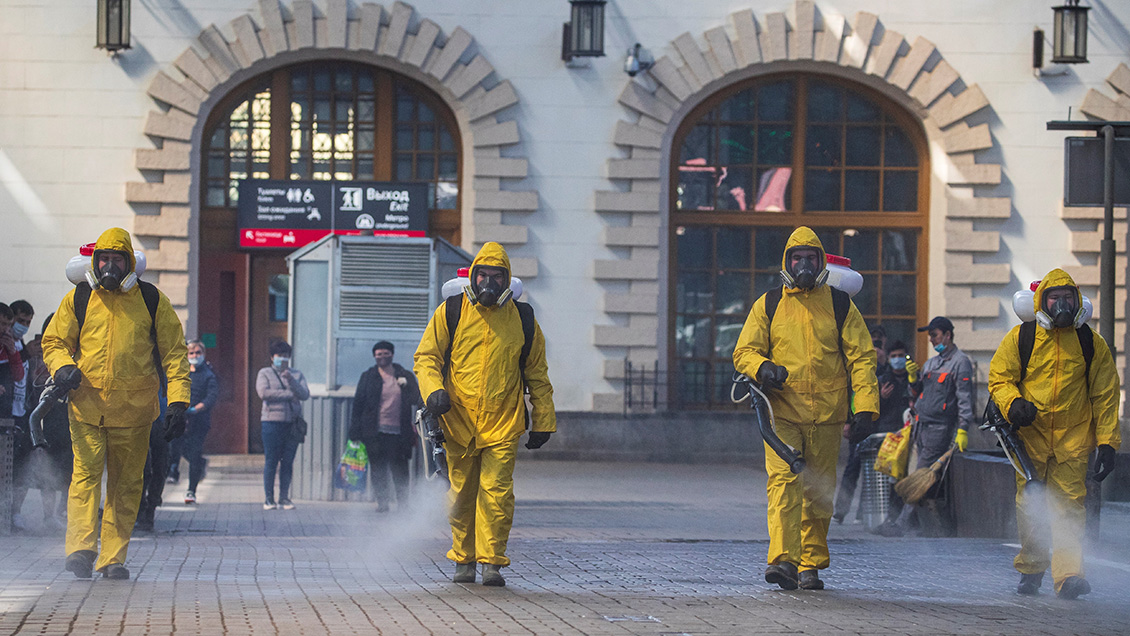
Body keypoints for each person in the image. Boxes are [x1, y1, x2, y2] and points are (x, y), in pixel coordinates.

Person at [733, 226, 878, 591]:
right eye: (796, 258)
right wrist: (763, 368)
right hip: (781, 413)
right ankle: (783, 560)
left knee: (818, 491)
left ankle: (810, 563)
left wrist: (865, 408)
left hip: (827, 416)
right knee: (784, 484)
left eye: (809, 259)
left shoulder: (840, 304)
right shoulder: (768, 305)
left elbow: (861, 357)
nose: (803, 265)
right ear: (787, 261)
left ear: (821, 261)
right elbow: (744, 351)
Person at [42, 227, 190, 580]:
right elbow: (54, 340)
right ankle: (80, 549)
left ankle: (112, 558)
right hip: (86, 407)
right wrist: (63, 367)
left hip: (135, 412)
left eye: (116, 259)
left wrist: (179, 401)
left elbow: (175, 354)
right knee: (85, 479)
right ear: (95, 261)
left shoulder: (152, 300)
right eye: (104, 259)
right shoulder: (79, 298)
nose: (109, 266)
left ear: (128, 264)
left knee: (125, 487)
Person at [414, 242, 556, 587]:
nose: (488, 284)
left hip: (504, 422)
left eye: (496, 277)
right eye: (483, 276)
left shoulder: (523, 319)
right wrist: (434, 392)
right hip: (458, 422)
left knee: (496, 494)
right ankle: (464, 560)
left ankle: (491, 562)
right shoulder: (451, 311)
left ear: (507, 280)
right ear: (473, 277)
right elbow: (427, 357)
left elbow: (536, 372)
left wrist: (544, 421)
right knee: (461, 496)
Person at [988, 269, 1120, 599]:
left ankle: (1069, 576)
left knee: (1069, 508)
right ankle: (1032, 568)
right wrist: (1014, 404)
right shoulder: (1022, 338)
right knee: (1031, 505)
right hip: (1030, 437)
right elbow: (1000, 379)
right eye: (1054, 298)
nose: (1061, 304)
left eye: (1067, 298)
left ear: (1077, 301)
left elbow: (1105, 395)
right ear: (1041, 302)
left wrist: (1107, 442)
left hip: (1073, 440)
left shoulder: (1091, 343)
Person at [881, 316, 974, 537]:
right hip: (921, 427)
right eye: (930, 336)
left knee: (921, 474)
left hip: (940, 428)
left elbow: (964, 398)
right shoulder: (932, 363)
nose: (931, 340)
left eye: (934, 335)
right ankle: (926, 526)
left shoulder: (960, 363)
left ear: (948, 335)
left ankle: (901, 523)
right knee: (922, 475)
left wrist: (963, 428)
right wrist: (913, 378)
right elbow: (916, 394)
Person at [833, 337, 911, 523]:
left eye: (901, 356)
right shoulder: (875, 376)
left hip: (900, 434)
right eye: (895, 356)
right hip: (871, 432)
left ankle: (883, 516)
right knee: (859, 471)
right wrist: (849, 422)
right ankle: (842, 512)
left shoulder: (908, 377)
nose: (898, 359)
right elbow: (855, 398)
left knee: (892, 477)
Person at [348, 340, 422, 512]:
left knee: (400, 469)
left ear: (392, 354)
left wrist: (406, 386)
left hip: (399, 432)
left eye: (386, 353)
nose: (382, 357)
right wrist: (355, 431)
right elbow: (358, 403)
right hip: (374, 431)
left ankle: (403, 504)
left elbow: (416, 399)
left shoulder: (404, 374)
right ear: (374, 356)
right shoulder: (368, 376)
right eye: (379, 354)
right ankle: (382, 503)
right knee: (378, 469)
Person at [256, 340, 309, 511]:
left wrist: (291, 381)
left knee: (288, 462)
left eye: (286, 356)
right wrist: (288, 394)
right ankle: (269, 498)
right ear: (272, 357)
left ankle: (284, 497)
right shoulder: (264, 373)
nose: (282, 359)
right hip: (271, 422)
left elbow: (304, 394)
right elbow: (264, 393)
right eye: (279, 356)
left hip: (292, 423)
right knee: (271, 461)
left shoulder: (296, 374)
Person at [173, 340, 220, 504]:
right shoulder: (182, 373)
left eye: (198, 353)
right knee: (177, 448)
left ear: (203, 354)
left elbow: (211, 397)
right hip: (180, 420)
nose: (194, 356)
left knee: (194, 453)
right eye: (191, 353)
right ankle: (199, 464)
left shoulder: (209, 375)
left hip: (198, 421)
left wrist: (196, 409)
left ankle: (191, 491)